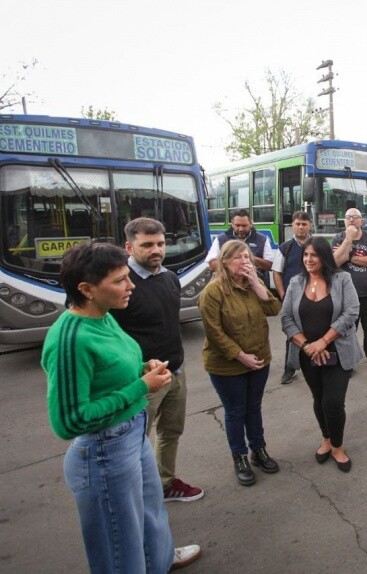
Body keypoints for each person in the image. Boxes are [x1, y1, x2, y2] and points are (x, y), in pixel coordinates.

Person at [41, 242, 201, 572]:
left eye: (128, 277)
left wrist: (143, 367)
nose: (130, 286)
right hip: (103, 452)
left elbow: (115, 365)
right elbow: (69, 421)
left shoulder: (104, 316)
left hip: (131, 436)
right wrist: (141, 387)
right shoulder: (71, 338)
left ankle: (160, 560)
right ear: (86, 289)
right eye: (119, 281)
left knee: (150, 512)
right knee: (120, 543)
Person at [111, 217, 204, 503]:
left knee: (171, 432)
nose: (156, 250)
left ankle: (164, 484)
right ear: (129, 246)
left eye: (161, 244)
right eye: (147, 245)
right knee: (134, 442)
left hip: (175, 371)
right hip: (143, 380)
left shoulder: (169, 277)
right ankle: (135, 498)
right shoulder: (122, 284)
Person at [199, 239, 283, 487]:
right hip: (227, 365)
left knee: (253, 407)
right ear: (224, 262)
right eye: (238, 257)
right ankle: (240, 456)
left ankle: (259, 450)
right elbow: (215, 333)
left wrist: (258, 284)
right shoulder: (213, 292)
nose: (245, 261)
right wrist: (240, 355)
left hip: (259, 360)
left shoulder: (251, 286)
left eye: (248, 257)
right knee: (236, 411)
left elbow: (274, 309)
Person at [281, 237, 362, 473]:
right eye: (305, 255)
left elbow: (351, 312)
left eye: (313, 255)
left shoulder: (342, 279)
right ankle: (326, 438)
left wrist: (324, 342)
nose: (308, 259)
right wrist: (308, 345)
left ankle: (337, 446)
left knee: (333, 402)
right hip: (308, 354)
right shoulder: (296, 283)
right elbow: (286, 318)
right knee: (319, 400)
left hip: (337, 351)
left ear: (324, 256)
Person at [333, 208, 367, 376]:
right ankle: (347, 363)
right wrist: (348, 238)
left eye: (355, 218)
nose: (351, 220)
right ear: (344, 221)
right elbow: (335, 262)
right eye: (348, 217)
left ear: (361, 221)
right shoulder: (338, 238)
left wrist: (350, 257)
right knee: (347, 331)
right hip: (346, 295)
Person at [273, 211, 313, 385]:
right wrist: (283, 294)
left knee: (316, 331)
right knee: (292, 334)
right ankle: (289, 369)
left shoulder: (317, 245)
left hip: (314, 297)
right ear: (292, 226)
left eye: (304, 224)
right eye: (297, 224)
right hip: (293, 300)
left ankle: (316, 365)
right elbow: (277, 272)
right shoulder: (285, 248)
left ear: (310, 225)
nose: (301, 227)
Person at [206, 209, 275, 284]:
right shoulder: (221, 239)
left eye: (244, 226)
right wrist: (233, 266)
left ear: (251, 224)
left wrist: (249, 257)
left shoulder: (263, 239)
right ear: (232, 224)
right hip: (229, 286)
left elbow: (269, 265)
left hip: (257, 286)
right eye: (237, 225)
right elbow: (212, 264)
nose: (241, 229)